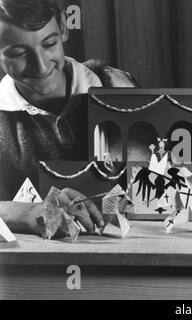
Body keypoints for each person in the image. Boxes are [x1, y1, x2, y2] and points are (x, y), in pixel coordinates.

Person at [0, 0, 136, 235]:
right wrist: (29, 212)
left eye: (49, 43)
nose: (42, 67)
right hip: (38, 265)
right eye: (19, 53)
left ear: (63, 25)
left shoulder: (117, 87)